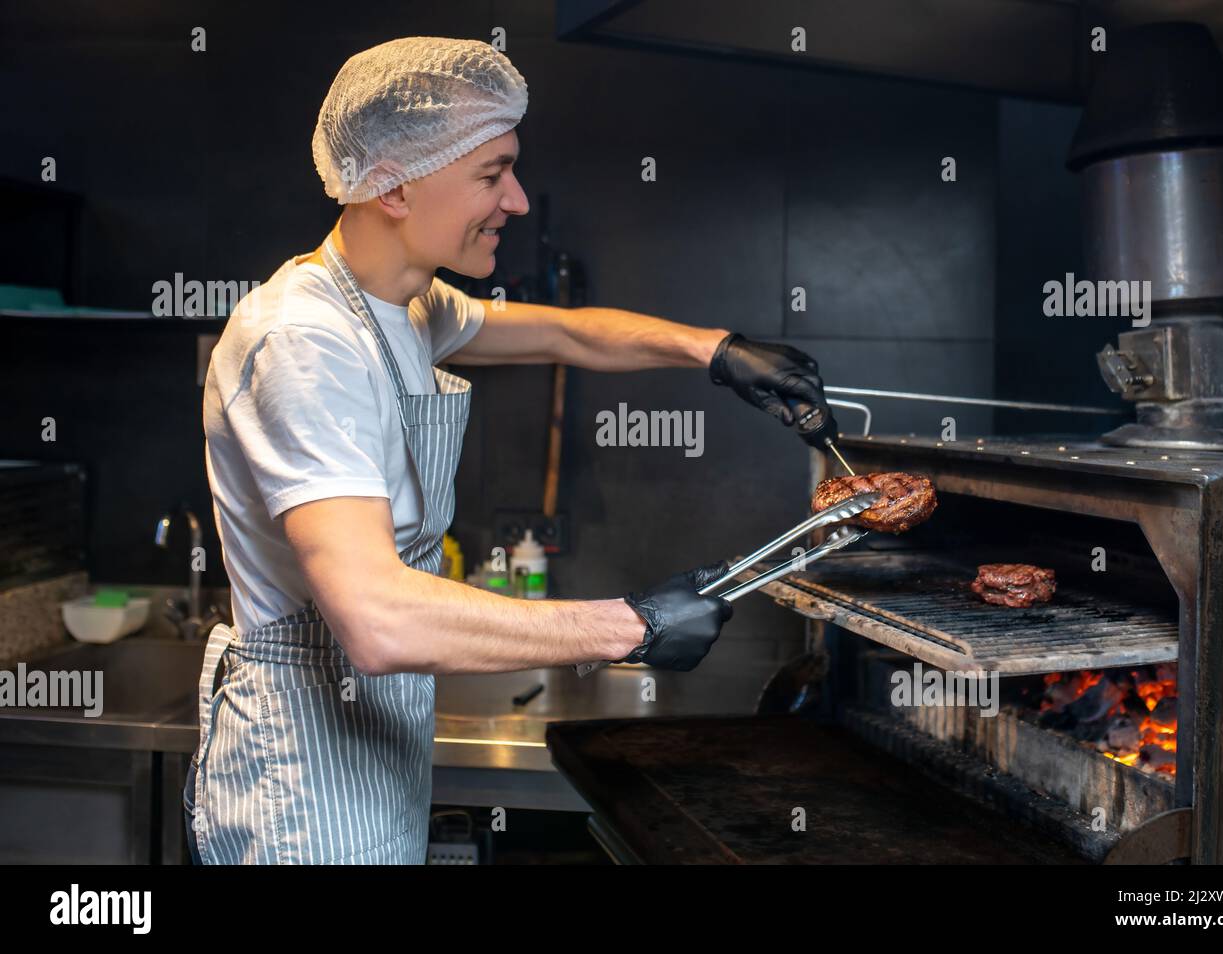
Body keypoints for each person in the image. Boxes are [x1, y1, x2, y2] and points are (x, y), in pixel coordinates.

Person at [183, 36, 838, 864]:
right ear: (391, 182)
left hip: (369, 746)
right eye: (491, 175)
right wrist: (628, 627)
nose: (518, 201)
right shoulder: (304, 342)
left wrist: (715, 349)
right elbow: (378, 619)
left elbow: (564, 331)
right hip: (298, 782)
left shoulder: (407, 306)